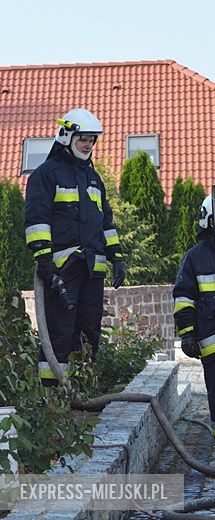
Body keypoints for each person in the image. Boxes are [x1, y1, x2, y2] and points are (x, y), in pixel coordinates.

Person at [24, 108, 126, 386]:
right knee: (59, 333)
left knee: (89, 332)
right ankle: (52, 396)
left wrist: (116, 257)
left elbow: (105, 222)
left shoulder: (94, 179)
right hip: (62, 269)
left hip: (93, 268)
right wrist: (44, 262)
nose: (88, 145)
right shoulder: (46, 174)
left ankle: (82, 392)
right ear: (66, 135)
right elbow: (36, 220)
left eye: (92, 140)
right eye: (83, 138)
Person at [172, 194, 215, 462]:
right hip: (213, 346)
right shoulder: (195, 258)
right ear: (207, 222)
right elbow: (183, 297)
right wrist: (187, 335)